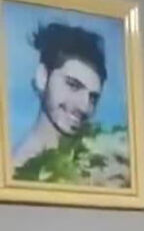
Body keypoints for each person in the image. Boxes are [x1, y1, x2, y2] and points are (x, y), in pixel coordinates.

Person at [12, 22, 107, 168]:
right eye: (73, 85)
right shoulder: (16, 167)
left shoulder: (94, 161)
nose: (84, 106)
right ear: (43, 77)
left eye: (93, 97)